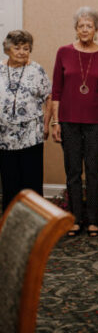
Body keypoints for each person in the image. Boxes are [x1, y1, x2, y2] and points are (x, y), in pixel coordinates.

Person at [51, 7, 98, 237]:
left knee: (94, 171)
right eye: (81, 26)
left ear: (96, 29)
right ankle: (76, 218)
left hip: (97, 122)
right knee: (74, 172)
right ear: (75, 29)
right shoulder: (63, 52)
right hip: (68, 121)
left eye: (89, 26)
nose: (84, 30)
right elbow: (56, 90)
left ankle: (93, 219)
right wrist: (55, 122)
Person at [0, 30, 51, 211]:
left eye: (26, 48)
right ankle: (11, 222)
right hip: (5, 138)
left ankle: (36, 223)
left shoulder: (36, 70)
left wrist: (46, 124)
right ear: (8, 49)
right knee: (9, 183)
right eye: (17, 47)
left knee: (32, 183)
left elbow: (49, 97)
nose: (22, 52)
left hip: (31, 135)